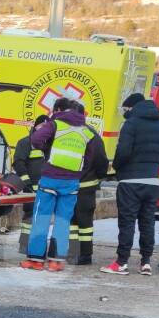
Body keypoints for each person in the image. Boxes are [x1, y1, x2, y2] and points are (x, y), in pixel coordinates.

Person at [20, 98, 99, 272]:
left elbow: (35, 140)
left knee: (41, 218)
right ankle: (55, 261)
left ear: (61, 110)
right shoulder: (87, 132)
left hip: (50, 178)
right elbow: (89, 159)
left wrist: (47, 149)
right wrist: (77, 174)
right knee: (63, 221)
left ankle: (35, 260)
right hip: (71, 182)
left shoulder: (56, 124)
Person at [101, 95, 159, 275]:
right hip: (152, 181)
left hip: (130, 181)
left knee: (127, 222)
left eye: (125, 110)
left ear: (132, 107)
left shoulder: (131, 124)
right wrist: (153, 165)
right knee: (147, 222)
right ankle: (146, 262)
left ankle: (122, 262)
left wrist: (117, 167)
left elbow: (123, 151)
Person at [67, 121, 109, 266]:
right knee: (85, 222)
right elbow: (102, 161)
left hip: (69, 185)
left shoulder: (66, 133)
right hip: (87, 187)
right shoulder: (92, 135)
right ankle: (85, 255)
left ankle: (72, 253)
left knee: (72, 220)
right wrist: (98, 176)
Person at [13, 115, 48, 254]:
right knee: (29, 217)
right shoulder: (26, 143)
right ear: (35, 126)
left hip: (46, 189)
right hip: (31, 189)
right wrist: (26, 182)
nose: (44, 130)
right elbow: (18, 163)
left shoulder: (48, 145)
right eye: (41, 126)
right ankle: (24, 244)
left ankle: (38, 246)